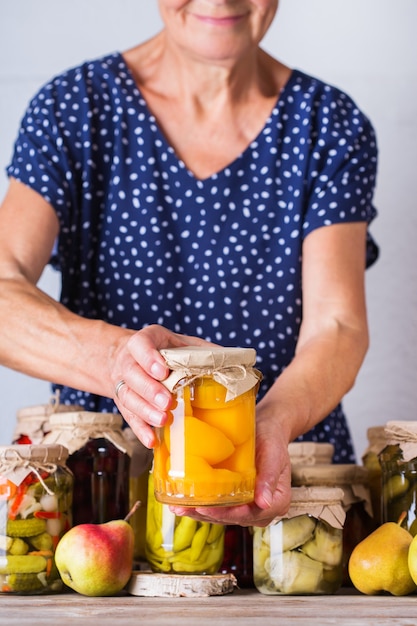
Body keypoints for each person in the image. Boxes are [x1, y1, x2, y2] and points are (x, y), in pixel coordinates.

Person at [0, 0, 378, 527]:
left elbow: (338, 325)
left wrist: (265, 424)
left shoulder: (329, 124)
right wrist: (117, 363)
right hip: (106, 496)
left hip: (285, 491)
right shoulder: (73, 109)